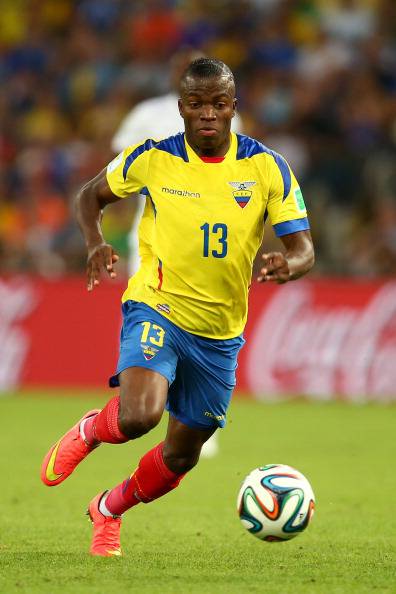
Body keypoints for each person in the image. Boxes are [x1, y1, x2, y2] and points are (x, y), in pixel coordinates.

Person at [40, 58, 314, 557]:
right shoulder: (153, 157)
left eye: (217, 104)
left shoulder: (267, 166)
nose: (207, 113)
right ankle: (91, 429)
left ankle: (108, 509)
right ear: (181, 109)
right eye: (196, 104)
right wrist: (94, 242)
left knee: (181, 456)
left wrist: (289, 264)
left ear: (233, 107)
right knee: (140, 415)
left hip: (220, 332)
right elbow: (89, 195)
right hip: (157, 306)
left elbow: (304, 248)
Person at [111, 48, 243, 458]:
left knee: (202, 324)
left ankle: (192, 419)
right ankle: (148, 399)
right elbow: (118, 166)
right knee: (162, 317)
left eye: (218, 102)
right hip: (151, 245)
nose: (208, 111)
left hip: (212, 253)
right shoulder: (146, 116)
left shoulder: (242, 137)